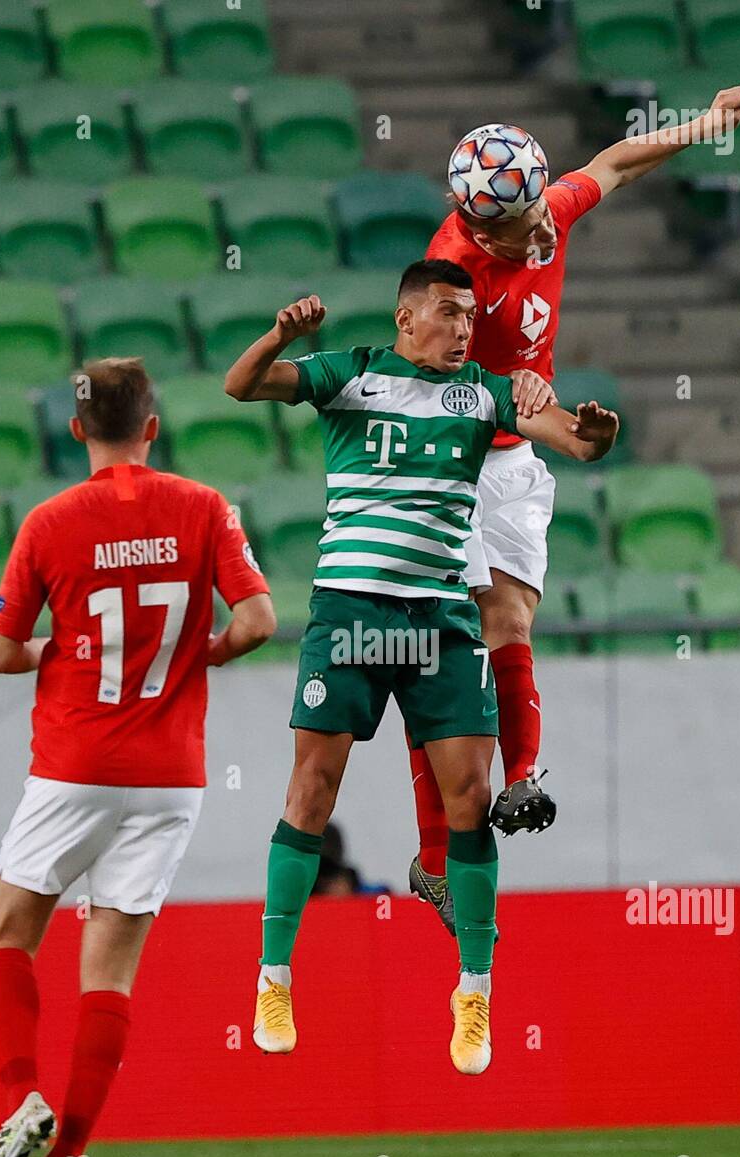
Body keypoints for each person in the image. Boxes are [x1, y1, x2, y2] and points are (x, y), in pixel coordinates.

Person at [223, 259, 618, 1075]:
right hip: (352, 615)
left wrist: (594, 430)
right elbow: (241, 386)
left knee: (470, 800)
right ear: (406, 319)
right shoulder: (351, 375)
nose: (464, 328)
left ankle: (474, 991)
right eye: (447, 313)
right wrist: (279, 336)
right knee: (311, 789)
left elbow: (574, 441)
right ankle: (273, 975)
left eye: (470, 316)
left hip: (438, 620)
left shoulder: (484, 391)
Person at [408, 88, 740, 934]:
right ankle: (431, 859)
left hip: (515, 456)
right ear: (477, 231)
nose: (538, 233)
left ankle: (521, 780)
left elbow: (611, 165)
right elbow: (433, 389)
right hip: (450, 460)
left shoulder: (535, 207)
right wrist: (537, 411)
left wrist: (702, 125)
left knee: (514, 620)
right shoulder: (451, 276)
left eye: (536, 213)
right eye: (517, 229)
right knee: (442, 658)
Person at [0, 357, 274, 1157]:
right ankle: (68, 1153)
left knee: (7, 937)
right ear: (153, 427)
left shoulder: (51, 522)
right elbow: (258, 621)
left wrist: (54, 654)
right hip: (170, 777)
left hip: (73, 762)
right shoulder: (203, 506)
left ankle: (22, 1100)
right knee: (107, 973)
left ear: (78, 433)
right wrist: (198, 657)